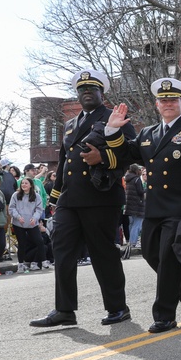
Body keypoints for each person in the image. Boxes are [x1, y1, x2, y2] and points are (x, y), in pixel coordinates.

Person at [105, 77, 181, 333]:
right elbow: (125, 155)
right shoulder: (148, 134)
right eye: (163, 100)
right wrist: (113, 131)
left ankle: (164, 316)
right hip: (154, 208)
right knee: (150, 253)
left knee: (168, 258)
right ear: (157, 105)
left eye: (173, 99)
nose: (168, 104)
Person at [30, 69, 135, 329]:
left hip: (101, 196)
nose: (87, 93)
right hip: (70, 199)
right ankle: (65, 310)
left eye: (92, 89)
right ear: (77, 93)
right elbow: (65, 160)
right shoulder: (70, 124)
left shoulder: (115, 118)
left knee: (103, 254)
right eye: (82, 89)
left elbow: (130, 154)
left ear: (102, 93)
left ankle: (117, 307)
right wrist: (56, 195)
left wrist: (105, 158)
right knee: (62, 252)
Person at [9, 177, 46, 272]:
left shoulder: (36, 196)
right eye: (22, 183)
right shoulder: (16, 195)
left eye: (26, 183)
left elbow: (39, 209)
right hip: (19, 223)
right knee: (22, 243)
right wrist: (18, 217)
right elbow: (11, 208)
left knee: (39, 241)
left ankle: (41, 261)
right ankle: (20, 264)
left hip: (32, 223)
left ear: (30, 185)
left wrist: (35, 218)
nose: (23, 185)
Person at [123, 163, 146, 259]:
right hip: (137, 204)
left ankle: (130, 242)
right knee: (137, 224)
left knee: (131, 224)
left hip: (129, 204)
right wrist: (147, 191)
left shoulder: (127, 179)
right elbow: (140, 191)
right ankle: (133, 242)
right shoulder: (136, 179)